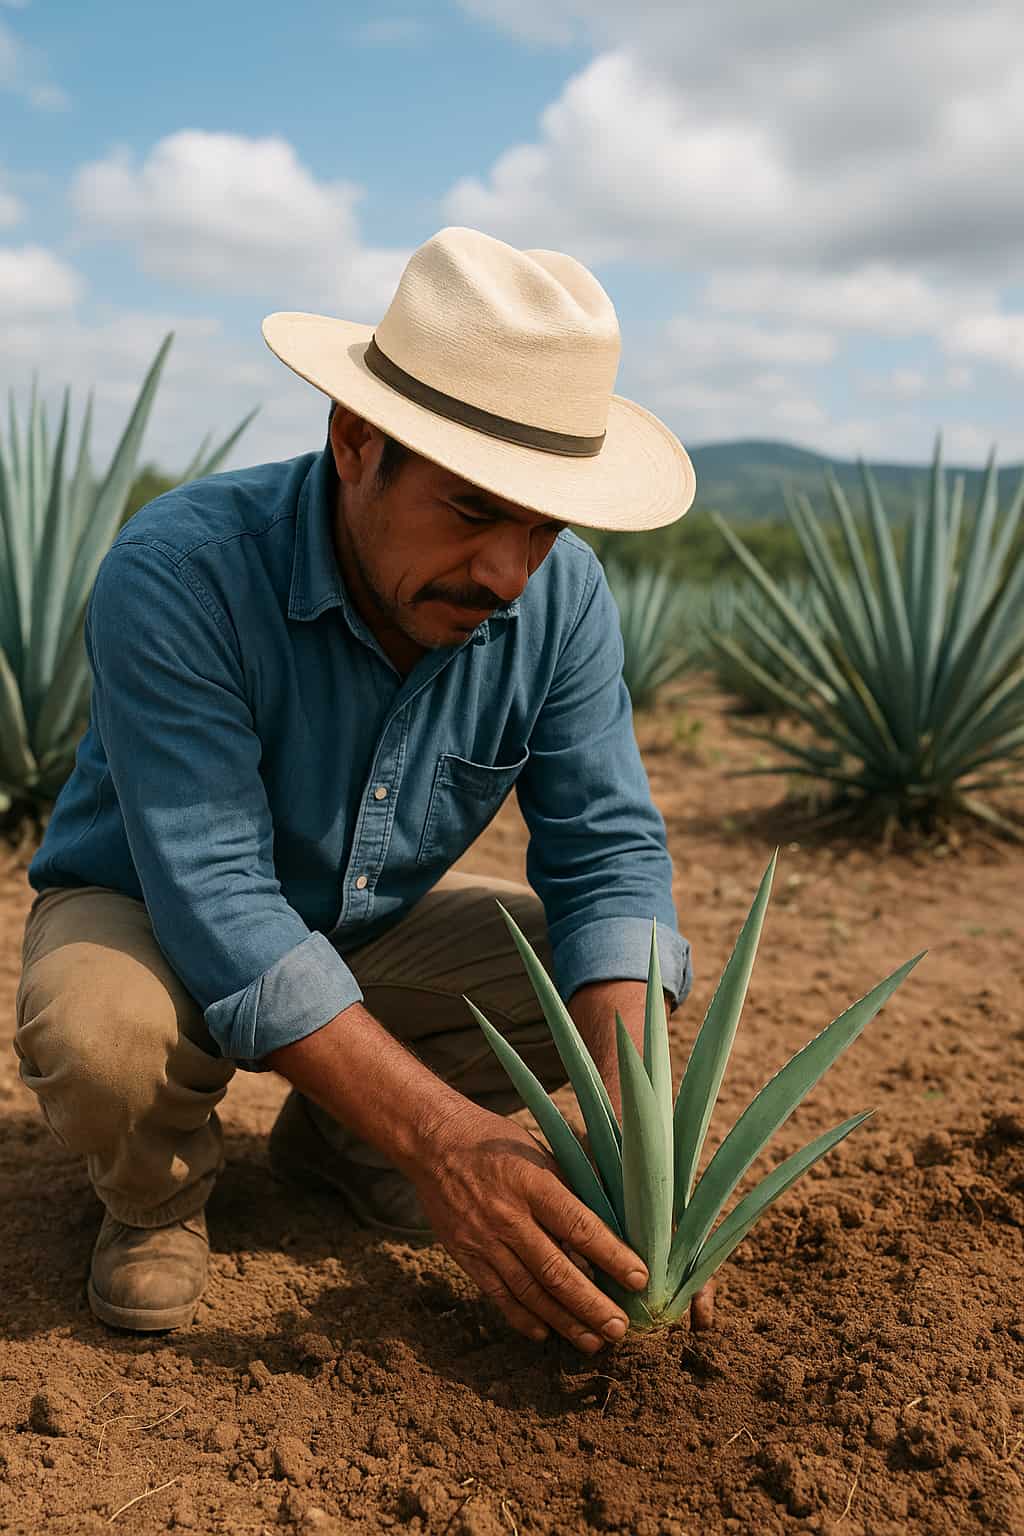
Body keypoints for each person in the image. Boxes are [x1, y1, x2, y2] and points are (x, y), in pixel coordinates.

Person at [14, 225, 713, 1349]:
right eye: (473, 510)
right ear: (353, 443)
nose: (506, 572)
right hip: (147, 916)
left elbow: (607, 858)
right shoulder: (182, 571)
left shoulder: (562, 601)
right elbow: (220, 901)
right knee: (101, 1030)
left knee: (613, 979)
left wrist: (641, 1154)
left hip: (362, 930)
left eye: (544, 525)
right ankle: (155, 1199)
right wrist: (444, 1138)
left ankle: (337, 1146)